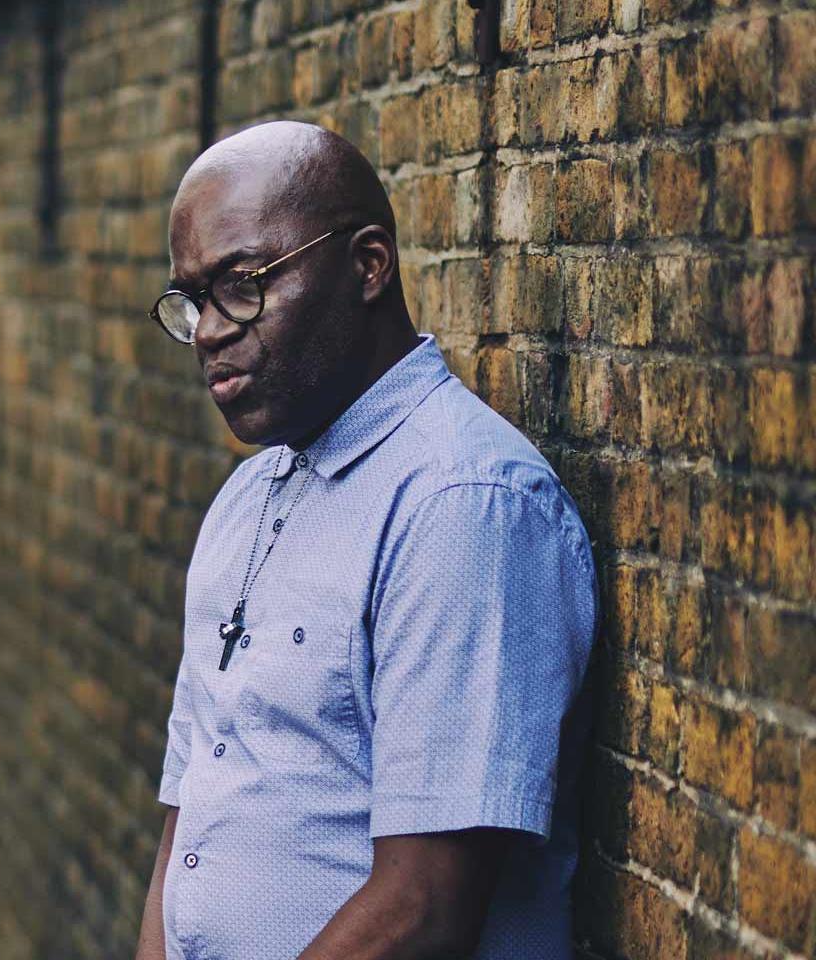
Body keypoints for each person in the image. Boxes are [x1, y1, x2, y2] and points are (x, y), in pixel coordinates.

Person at [133, 121, 596, 960]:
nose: (206, 330)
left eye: (241, 284)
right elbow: (187, 824)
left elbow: (425, 908)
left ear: (367, 266)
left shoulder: (463, 506)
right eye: (192, 300)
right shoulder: (245, 500)